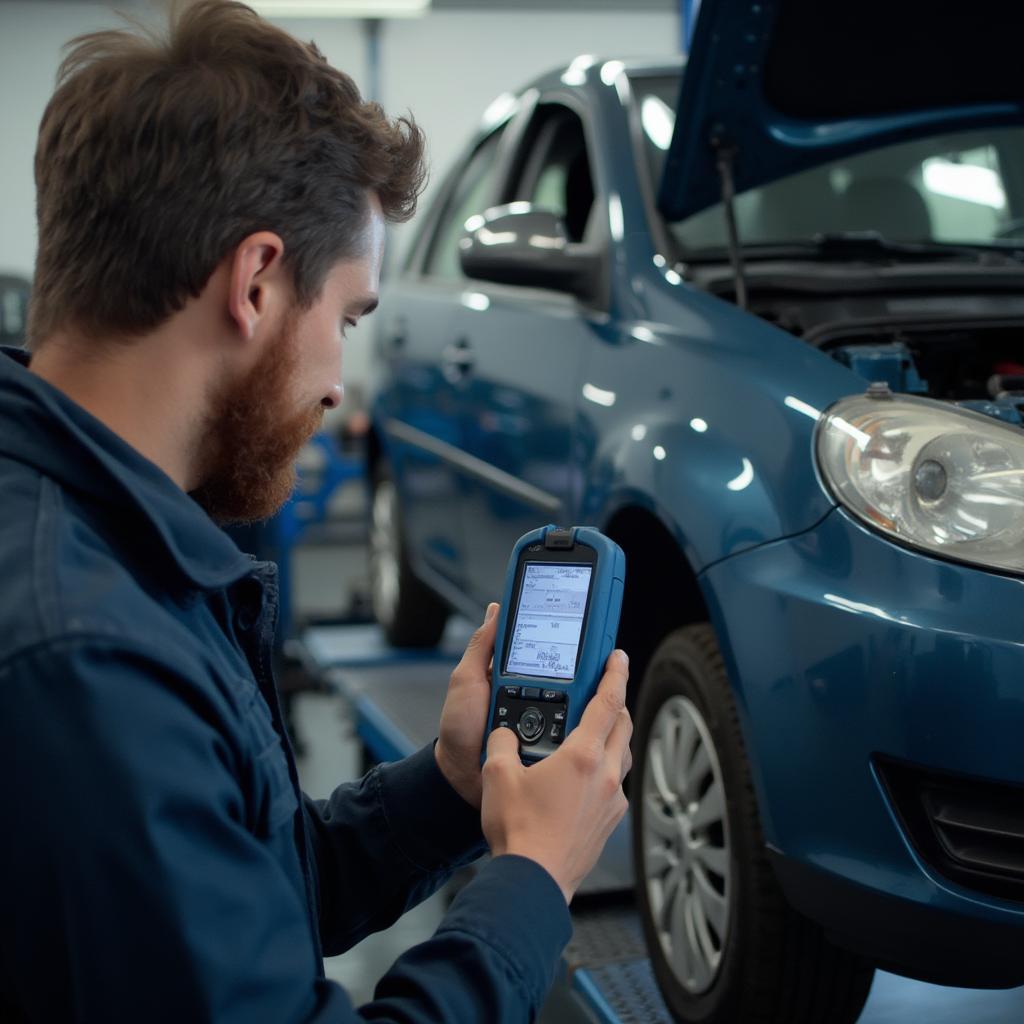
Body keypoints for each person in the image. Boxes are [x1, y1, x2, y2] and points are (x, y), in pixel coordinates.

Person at [0, 2, 633, 1021]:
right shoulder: (83, 658)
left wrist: (450, 786)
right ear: (255, 282)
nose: (342, 380)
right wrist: (533, 880)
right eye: (344, 318)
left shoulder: (100, 537)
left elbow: (235, 895)